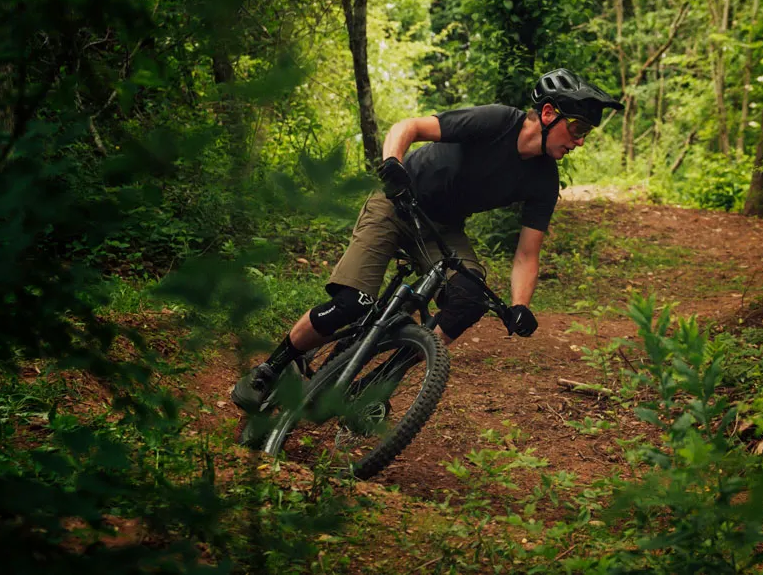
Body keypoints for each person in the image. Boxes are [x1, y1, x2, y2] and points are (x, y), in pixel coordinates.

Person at [231, 68, 624, 412]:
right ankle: (273, 367)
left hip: (442, 227)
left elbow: (526, 253)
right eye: (577, 128)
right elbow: (410, 127)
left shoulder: (543, 179)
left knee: (469, 297)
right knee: (352, 303)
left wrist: (521, 305)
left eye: (585, 132)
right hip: (396, 203)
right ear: (549, 113)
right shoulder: (495, 122)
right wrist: (392, 165)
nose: (579, 141)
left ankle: (378, 380)